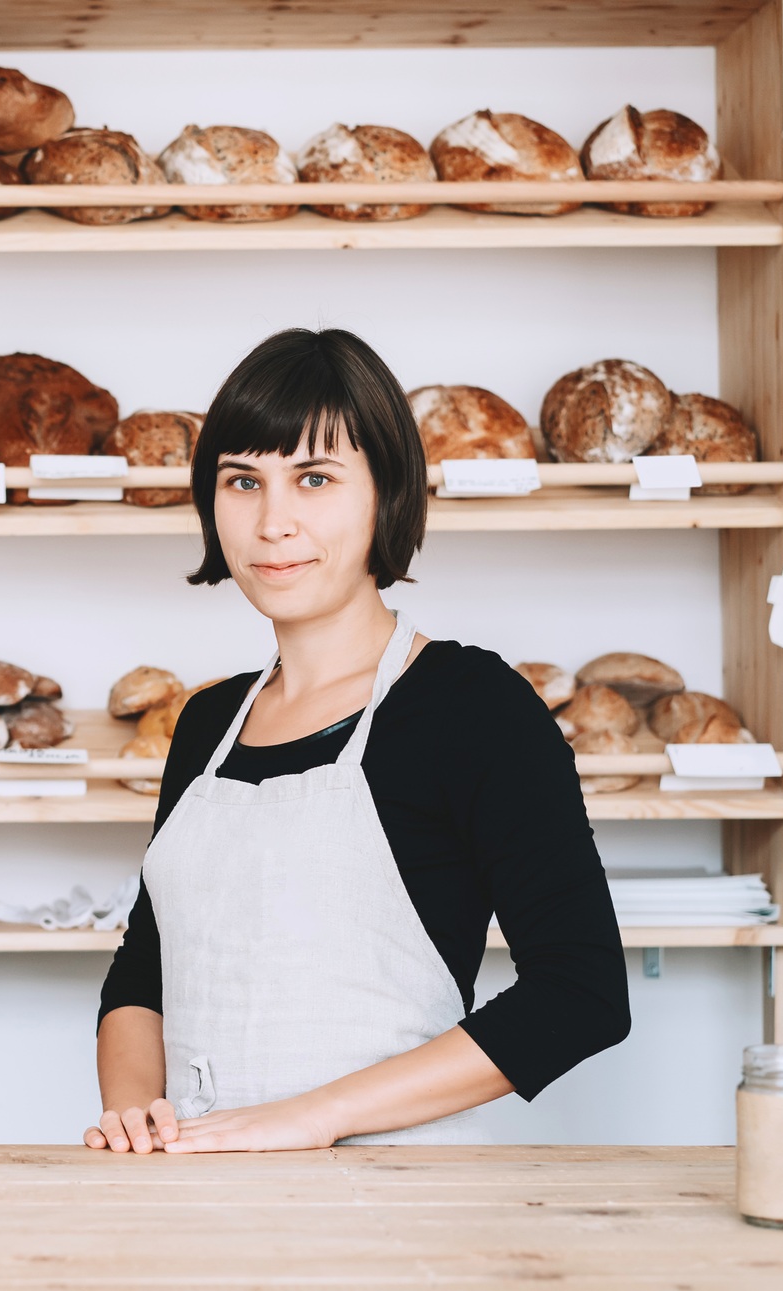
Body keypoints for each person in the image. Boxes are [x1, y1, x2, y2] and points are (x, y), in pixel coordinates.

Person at [88, 328, 629, 1153]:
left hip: (405, 1212)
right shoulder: (206, 723)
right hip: (197, 1192)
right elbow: (144, 971)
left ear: (388, 493)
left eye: (314, 479)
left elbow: (581, 993)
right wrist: (134, 1114)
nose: (274, 522)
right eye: (243, 481)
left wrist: (313, 1116)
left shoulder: (470, 706)